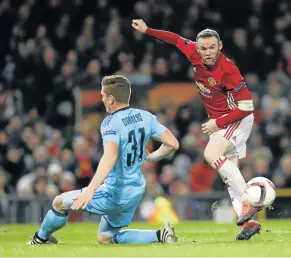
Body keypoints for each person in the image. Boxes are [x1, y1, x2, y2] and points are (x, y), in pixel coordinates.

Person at [132, 19, 260, 241]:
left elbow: (247, 106)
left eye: (212, 47)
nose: (208, 52)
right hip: (222, 120)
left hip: (235, 119)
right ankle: (248, 221)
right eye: (203, 48)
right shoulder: (193, 52)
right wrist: (147, 30)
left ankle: (249, 201)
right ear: (197, 48)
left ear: (220, 46)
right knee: (228, 174)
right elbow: (173, 39)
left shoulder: (228, 70)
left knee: (211, 154)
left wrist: (217, 123)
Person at [28, 75, 180, 245]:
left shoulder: (110, 123)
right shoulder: (145, 116)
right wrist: (151, 157)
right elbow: (173, 144)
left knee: (58, 203)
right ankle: (161, 235)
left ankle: (40, 239)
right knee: (105, 237)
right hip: (136, 189)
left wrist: (90, 189)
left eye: (103, 95)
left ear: (111, 99)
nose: (101, 98)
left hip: (115, 192)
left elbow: (110, 156)